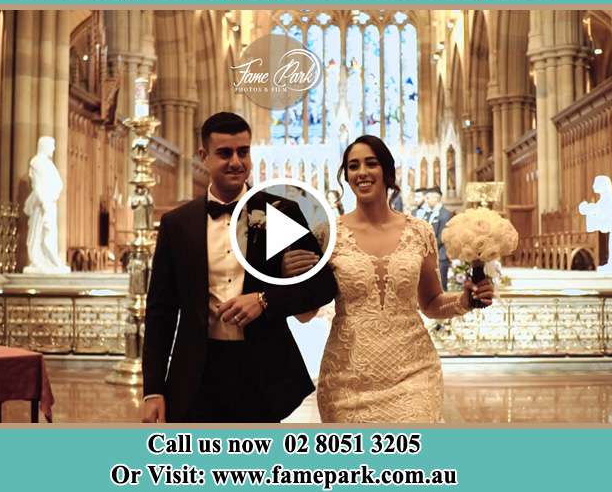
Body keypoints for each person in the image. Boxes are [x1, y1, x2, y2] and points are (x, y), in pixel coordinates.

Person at [141, 112, 337, 423]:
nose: (236, 162)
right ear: (204, 156)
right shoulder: (177, 224)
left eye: (243, 152)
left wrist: (264, 300)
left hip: (261, 370)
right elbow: (160, 311)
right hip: (196, 372)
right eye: (225, 153)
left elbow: (323, 286)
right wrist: (152, 389)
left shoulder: (278, 212)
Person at [282, 135, 494, 422]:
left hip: (414, 374)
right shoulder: (325, 235)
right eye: (353, 166)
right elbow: (306, 314)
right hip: (347, 378)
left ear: (388, 172)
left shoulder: (420, 232)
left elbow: (431, 303)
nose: (362, 172)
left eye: (371, 163)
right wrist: (291, 278)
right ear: (347, 176)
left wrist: (465, 299)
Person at [23, 136, 70, 274]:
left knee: (50, 233)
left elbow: (59, 183)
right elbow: (37, 185)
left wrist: (52, 197)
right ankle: (38, 261)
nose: (54, 149)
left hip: (50, 202)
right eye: (52, 145)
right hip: (41, 204)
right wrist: (44, 202)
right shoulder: (36, 162)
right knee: (37, 233)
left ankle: (52, 260)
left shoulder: (49, 164)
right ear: (44, 146)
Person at [425, 186, 453, 290]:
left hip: (440, 256)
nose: (426, 201)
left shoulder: (445, 214)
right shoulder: (428, 214)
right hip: (430, 255)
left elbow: (442, 237)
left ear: (436, 198)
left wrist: (426, 246)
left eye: (428, 198)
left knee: (441, 288)